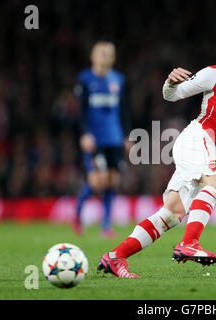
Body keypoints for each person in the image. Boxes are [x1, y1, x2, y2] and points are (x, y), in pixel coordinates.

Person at [97, 18, 216, 278]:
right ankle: (189, 244)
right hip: (195, 138)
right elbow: (171, 95)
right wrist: (170, 83)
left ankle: (114, 257)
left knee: (172, 214)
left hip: (210, 153)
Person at [73, 41, 131, 238]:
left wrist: (127, 136)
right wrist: (84, 133)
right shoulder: (85, 79)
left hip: (114, 137)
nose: (105, 56)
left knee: (113, 181)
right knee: (98, 182)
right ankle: (77, 214)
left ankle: (105, 225)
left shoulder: (119, 80)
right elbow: (80, 111)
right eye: (101, 53)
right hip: (94, 138)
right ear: (93, 56)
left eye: (109, 53)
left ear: (114, 58)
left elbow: (124, 110)